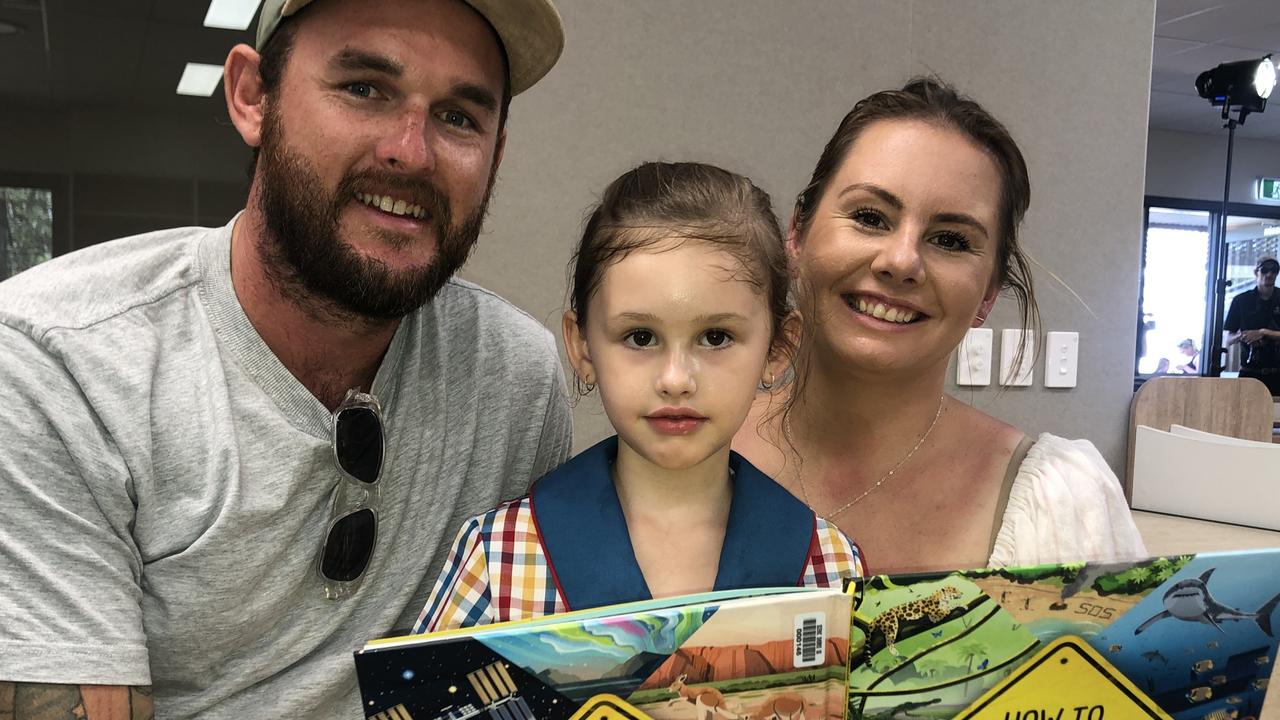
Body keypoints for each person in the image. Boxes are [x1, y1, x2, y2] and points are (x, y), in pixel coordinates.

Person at [0, 0, 571, 717]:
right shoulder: (59, 364)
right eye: (365, 88)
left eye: (459, 116)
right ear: (252, 97)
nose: (411, 151)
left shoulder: (514, 377)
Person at [415, 162, 865, 632]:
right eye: (640, 337)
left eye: (715, 337)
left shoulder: (829, 567)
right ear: (582, 345)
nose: (675, 379)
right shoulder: (501, 555)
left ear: (777, 348)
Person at [733, 78, 1146, 575]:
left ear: (987, 294)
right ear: (796, 235)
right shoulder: (678, 446)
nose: (901, 261)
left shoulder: (1059, 505)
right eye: (869, 216)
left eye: (950, 240)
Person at [1225, 257, 1280, 396]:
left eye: (1274, 270)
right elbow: (1229, 339)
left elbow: (1264, 333)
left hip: (1277, 371)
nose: (1269, 274)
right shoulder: (1241, 300)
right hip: (1249, 373)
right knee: (1242, 414)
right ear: (1256, 272)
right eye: (1265, 270)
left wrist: (1264, 332)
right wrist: (1245, 335)